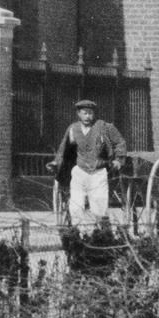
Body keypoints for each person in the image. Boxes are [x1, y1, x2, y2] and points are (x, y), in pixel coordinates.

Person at [50, 98, 127, 230]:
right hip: (79, 171)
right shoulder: (73, 129)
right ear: (78, 114)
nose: (87, 116)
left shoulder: (103, 127)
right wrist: (56, 162)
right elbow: (63, 148)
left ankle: (102, 233)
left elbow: (120, 142)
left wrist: (118, 160)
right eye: (84, 113)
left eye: (90, 113)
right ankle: (77, 233)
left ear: (94, 114)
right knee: (75, 205)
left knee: (99, 206)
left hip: (98, 171)